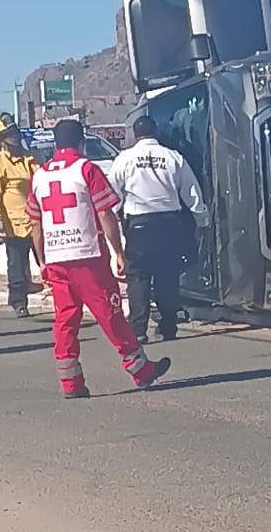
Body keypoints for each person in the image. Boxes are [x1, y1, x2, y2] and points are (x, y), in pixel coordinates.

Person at [26, 119, 171, 399]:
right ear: (82, 142)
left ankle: (70, 383)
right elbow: (105, 213)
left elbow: (35, 223)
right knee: (110, 313)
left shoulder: (39, 176)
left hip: (56, 258)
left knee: (65, 321)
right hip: (87, 256)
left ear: (55, 144)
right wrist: (119, 251)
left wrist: (42, 260)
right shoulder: (86, 169)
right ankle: (140, 369)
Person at [108, 115, 208, 343]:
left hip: (139, 225)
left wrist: (112, 221)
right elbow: (192, 193)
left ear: (135, 134)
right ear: (155, 132)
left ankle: (138, 330)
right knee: (167, 275)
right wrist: (202, 222)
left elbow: (113, 195)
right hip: (169, 224)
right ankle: (168, 326)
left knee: (138, 277)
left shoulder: (124, 159)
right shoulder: (173, 157)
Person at [0, 113, 41, 318]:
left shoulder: (31, 159)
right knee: (16, 268)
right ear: (1, 139)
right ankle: (19, 302)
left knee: (49, 264)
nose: (14, 137)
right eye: (9, 134)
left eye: (15, 132)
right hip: (14, 227)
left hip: (37, 223)